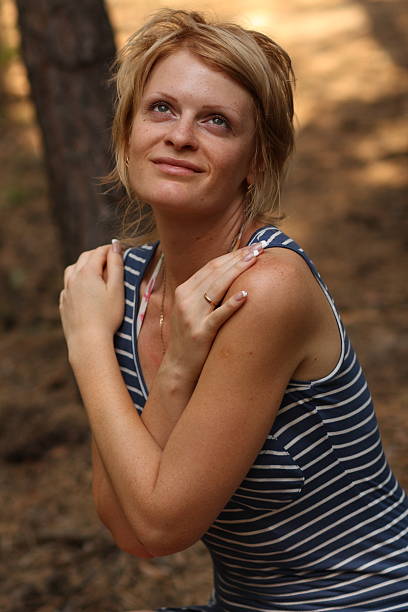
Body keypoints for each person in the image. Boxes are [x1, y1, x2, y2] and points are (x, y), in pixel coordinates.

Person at [59, 9, 408, 612]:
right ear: (126, 132)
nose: (180, 135)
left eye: (216, 121)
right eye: (161, 108)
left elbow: (163, 529)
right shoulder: (124, 285)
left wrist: (88, 345)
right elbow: (127, 526)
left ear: (258, 161)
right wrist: (173, 375)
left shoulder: (266, 287)